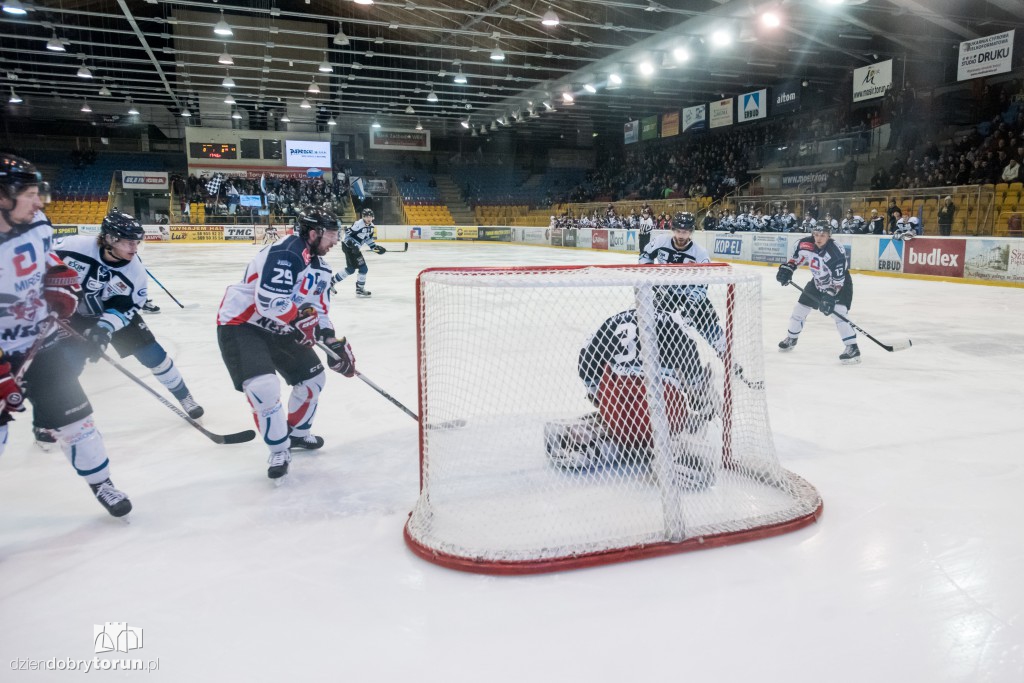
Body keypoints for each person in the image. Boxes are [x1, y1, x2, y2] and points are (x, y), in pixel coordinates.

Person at [1, 157, 133, 517]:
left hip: (39, 342)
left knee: (77, 420)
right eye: (30, 194)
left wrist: (57, 281)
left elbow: (44, 263)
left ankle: (101, 482)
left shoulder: (38, 224)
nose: (39, 202)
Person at [216, 206, 356, 480]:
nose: (335, 241)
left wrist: (330, 340)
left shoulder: (322, 269)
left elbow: (318, 309)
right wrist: (298, 319)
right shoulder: (287, 251)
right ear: (313, 233)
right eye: (330, 234)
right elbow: (268, 302)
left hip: (281, 327)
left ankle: (297, 433)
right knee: (263, 386)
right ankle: (279, 447)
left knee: (313, 379)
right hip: (243, 324)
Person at [46, 211, 204, 439]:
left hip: (112, 312)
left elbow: (129, 305)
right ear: (110, 239)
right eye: (129, 242)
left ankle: (184, 397)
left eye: (137, 242)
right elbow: (37, 266)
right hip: (73, 316)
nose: (135, 248)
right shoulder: (71, 246)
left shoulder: (134, 271)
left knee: (154, 355)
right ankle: (50, 417)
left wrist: (103, 329)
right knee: (67, 367)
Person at [543, 296, 722, 491]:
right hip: (659, 415)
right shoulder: (674, 323)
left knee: (605, 408)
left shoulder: (612, 322)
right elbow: (696, 385)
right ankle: (675, 453)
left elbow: (586, 366)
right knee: (695, 422)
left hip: (617, 414)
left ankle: (593, 441)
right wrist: (703, 402)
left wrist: (599, 397)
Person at [639, 211, 724, 356]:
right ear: (672, 230)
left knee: (708, 325)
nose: (681, 235)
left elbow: (704, 281)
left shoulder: (700, 253)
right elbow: (645, 257)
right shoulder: (660, 242)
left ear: (691, 232)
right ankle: (655, 360)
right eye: (678, 231)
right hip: (666, 293)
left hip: (690, 293)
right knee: (657, 325)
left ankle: (728, 357)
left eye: (685, 232)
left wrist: (693, 301)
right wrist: (655, 284)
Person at [775, 221, 860, 364]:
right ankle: (792, 337)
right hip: (817, 282)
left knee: (839, 313)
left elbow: (838, 281)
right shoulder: (804, 244)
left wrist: (829, 295)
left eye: (823, 235)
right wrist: (788, 268)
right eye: (816, 234)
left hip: (840, 284)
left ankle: (852, 347)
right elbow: (797, 258)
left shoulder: (836, 252)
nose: (819, 238)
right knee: (799, 309)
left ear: (829, 236)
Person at [332, 208, 384, 298]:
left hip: (354, 249)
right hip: (349, 248)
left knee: (360, 269)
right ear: (363, 217)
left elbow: (368, 239)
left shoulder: (371, 226)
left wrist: (374, 247)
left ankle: (358, 288)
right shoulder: (359, 224)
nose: (369, 218)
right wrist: (352, 244)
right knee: (355, 269)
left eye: (370, 216)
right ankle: (332, 282)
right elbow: (347, 233)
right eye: (367, 216)